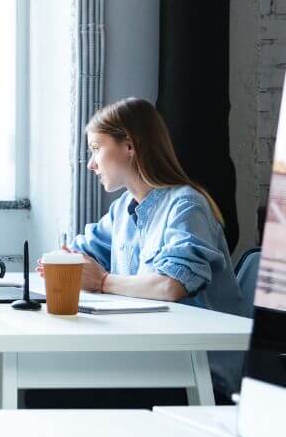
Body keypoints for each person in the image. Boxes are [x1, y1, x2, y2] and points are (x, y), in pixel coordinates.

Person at [48, 97, 246, 319]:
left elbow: (171, 286)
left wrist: (102, 281)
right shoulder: (122, 208)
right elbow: (80, 254)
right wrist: (61, 261)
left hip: (196, 349)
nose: (91, 164)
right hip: (148, 338)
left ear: (129, 146)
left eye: (96, 148)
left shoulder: (187, 206)